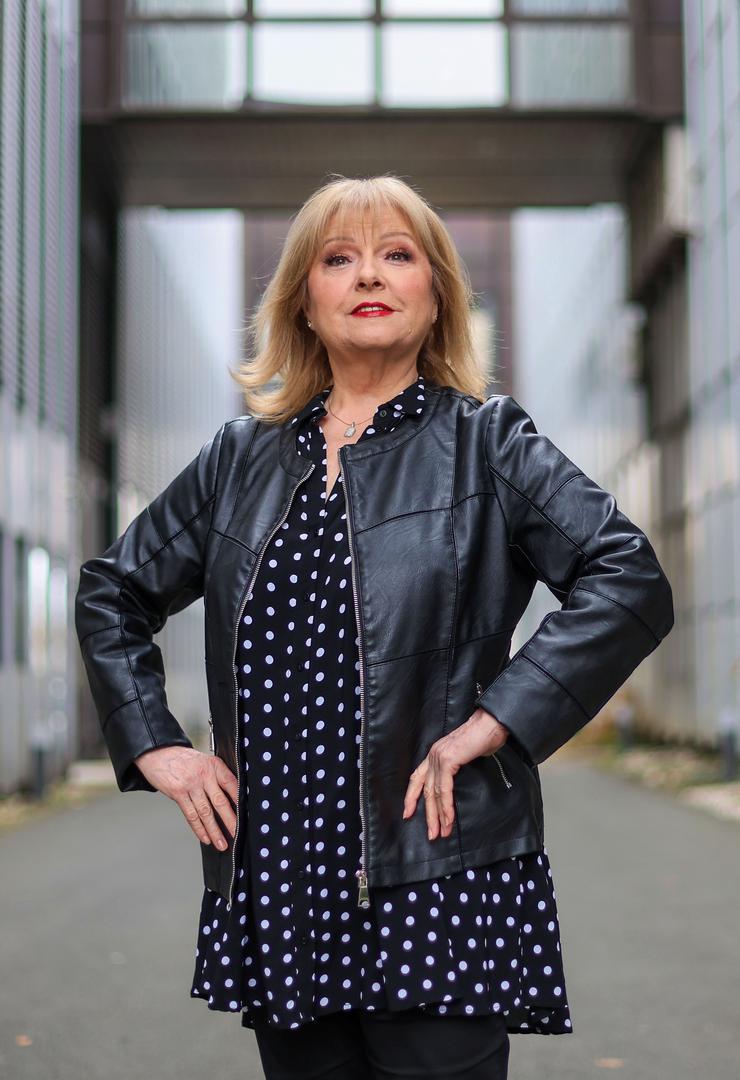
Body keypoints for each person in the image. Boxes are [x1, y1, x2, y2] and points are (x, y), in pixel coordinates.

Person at [75, 174, 675, 1079]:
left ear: (436, 296)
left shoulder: (486, 444)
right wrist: (156, 743)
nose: (369, 275)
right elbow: (111, 591)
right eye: (338, 258)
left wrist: (499, 720)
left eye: (398, 255)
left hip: (440, 868)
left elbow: (627, 575)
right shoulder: (237, 460)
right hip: (281, 878)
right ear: (302, 301)